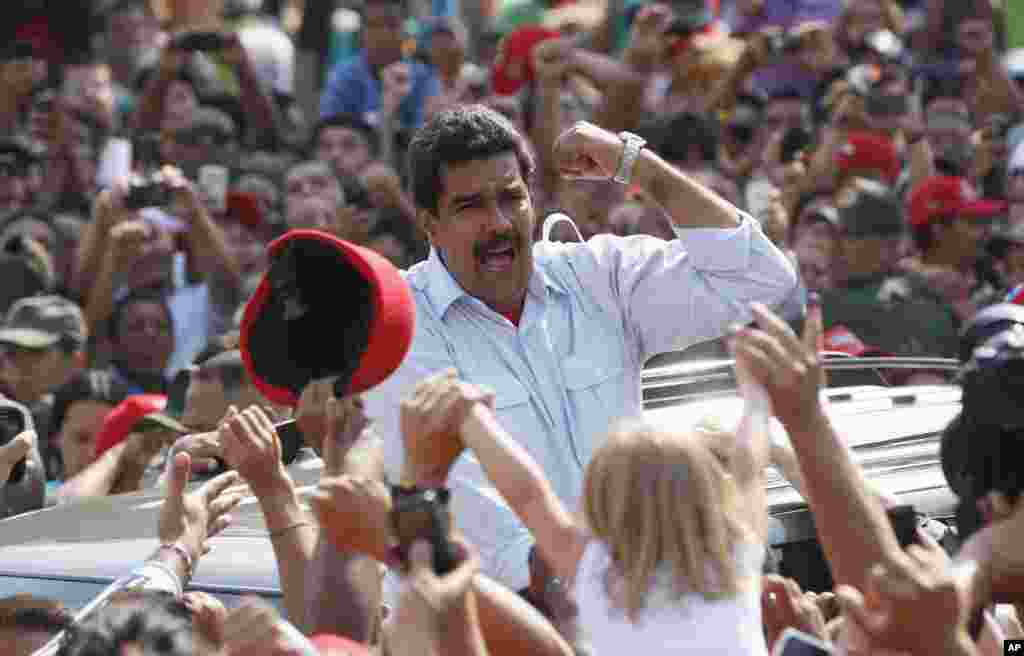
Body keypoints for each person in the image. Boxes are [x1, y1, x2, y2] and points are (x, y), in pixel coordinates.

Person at [361, 104, 799, 588]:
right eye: (471, 207)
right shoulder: (401, 329)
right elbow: (495, 542)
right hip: (505, 621)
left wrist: (634, 165)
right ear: (430, 223)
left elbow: (761, 279)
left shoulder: (597, 276)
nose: (500, 223)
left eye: (512, 198)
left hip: (623, 602)